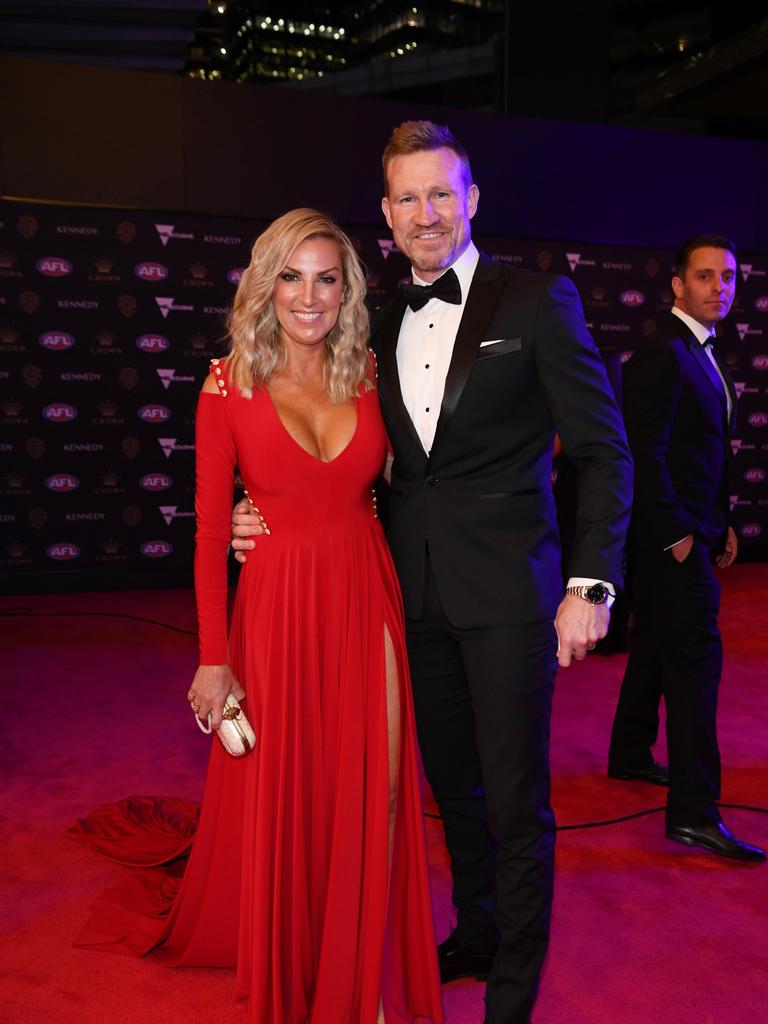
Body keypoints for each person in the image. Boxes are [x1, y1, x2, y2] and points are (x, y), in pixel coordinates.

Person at [232, 122, 633, 1024]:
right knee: (452, 787)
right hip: (404, 599)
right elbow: (329, 452)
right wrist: (252, 512)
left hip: (510, 599)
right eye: (407, 197)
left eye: (441, 193)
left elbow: (606, 454)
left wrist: (589, 584)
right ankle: (478, 928)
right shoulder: (362, 327)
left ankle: (512, 994)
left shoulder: (537, 302)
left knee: (517, 798)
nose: (426, 213)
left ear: (472, 200)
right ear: (385, 213)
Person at [70, 209, 444, 1024]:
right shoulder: (226, 382)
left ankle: (360, 983)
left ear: (347, 290)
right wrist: (214, 656)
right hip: (275, 609)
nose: (309, 297)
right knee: (294, 797)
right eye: (291, 276)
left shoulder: (369, 370)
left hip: (364, 593)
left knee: (376, 784)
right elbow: (210, 534)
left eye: (327, 278)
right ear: (264, 282)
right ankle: (300, 958)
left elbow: (412, 479)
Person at [607, 234, 765, 862]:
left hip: (692, 530)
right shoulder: (662, 353)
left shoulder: (700, 350)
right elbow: (645, 455)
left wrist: (718, 522)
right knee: (697, 667)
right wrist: (678, 538)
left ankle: (628, 752)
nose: (719, 288)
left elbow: (702, 451)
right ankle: (695, 813)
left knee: (654, 645)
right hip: (669, 541)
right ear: (677, 285)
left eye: (728, 277)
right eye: (705, 277)